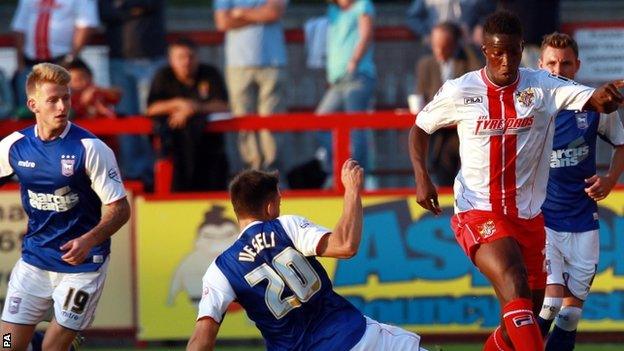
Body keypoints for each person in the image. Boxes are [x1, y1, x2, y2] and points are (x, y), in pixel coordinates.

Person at [408, 11, 624, 351]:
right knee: (514, 281)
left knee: (523, 321)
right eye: (497, 53)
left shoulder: (542, 86)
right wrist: (422, 177)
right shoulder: (461, 90)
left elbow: (590, 99)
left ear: (522, 48)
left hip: (529, 217)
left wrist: (605, 97)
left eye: (512, 51)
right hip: (478, 211)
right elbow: (420, 128)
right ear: (485, 51)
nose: (505, 60)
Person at [187, 160, 427, 351]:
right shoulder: (285, 226)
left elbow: (202, 340)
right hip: (353, 339)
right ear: (270, 206)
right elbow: (345, 245)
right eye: (279, 202)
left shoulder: (221, 270)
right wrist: (352, 190)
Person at [0, 63, 130, 351]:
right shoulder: (14, 146)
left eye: (66, 98)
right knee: (6, 344)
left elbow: (120, 209)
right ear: (33, 104)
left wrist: (89, 240)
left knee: (53, 349)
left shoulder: (90, 148)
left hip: (83, 266)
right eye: (53, 100)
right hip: (35, 261)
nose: (62, 106)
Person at [535, 32, 624, 351]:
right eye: (552, 63)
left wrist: (611, 179)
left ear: (577, 66)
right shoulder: (533, 108)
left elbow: (621, 144)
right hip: (542, 217)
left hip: (583, 217)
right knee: (550, 303)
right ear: (540, 65)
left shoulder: (596, 104)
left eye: (566, 63)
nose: (558, 70)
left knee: (570, 314)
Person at [98, 0, 167, 190]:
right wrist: (132, 10)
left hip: (151, 58)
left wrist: (121, 7)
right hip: (119, 60)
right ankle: (133, 175)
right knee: (125, 119)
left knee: (153, 119)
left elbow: (149, 5)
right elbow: (104, 13)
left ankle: (156, 172)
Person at [146, 38, 230, 192]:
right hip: (175, 151)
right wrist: (179, 104)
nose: (186, 61)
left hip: (209, 151)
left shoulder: (210, 73)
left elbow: (223, 106)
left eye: (190, 56)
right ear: (171, 60)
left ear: (198, 57)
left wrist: (194, 108)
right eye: (181, 57)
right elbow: (151, 108)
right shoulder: (163, 76)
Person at [214, 0, 288, 170]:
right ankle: (251, 171)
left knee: (271, 120)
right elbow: (222, 22)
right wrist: (259, 14)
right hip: (238, 65)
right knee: (242, 120)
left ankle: (273, 172)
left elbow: (274, 13)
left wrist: (240, 13)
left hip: (273, 63)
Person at [414, 21, 481, 186]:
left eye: (443, 46)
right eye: (435, 46)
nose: (438, 51)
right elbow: (420, 96)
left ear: (455, 45)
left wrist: (467, 46)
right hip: (438, 130)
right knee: (442, 156)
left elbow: (481, 77)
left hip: (463, 128)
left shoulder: (467, 60)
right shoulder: (425, 65)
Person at [316, 0, 376, 177]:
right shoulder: (333, 10)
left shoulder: (363, 5)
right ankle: (343, 167)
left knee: (356, 127)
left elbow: (366, 34)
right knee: (320, 122)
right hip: (338, 80)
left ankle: (358, 173)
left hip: (358, 75)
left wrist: (354, 61)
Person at [11, 0, 100, 105]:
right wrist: (20, 62)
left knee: (60, 105)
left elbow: (86, 25)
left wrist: (71, 59)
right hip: (30, 63)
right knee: (28, 106)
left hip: (63, 62)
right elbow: (19, 27)